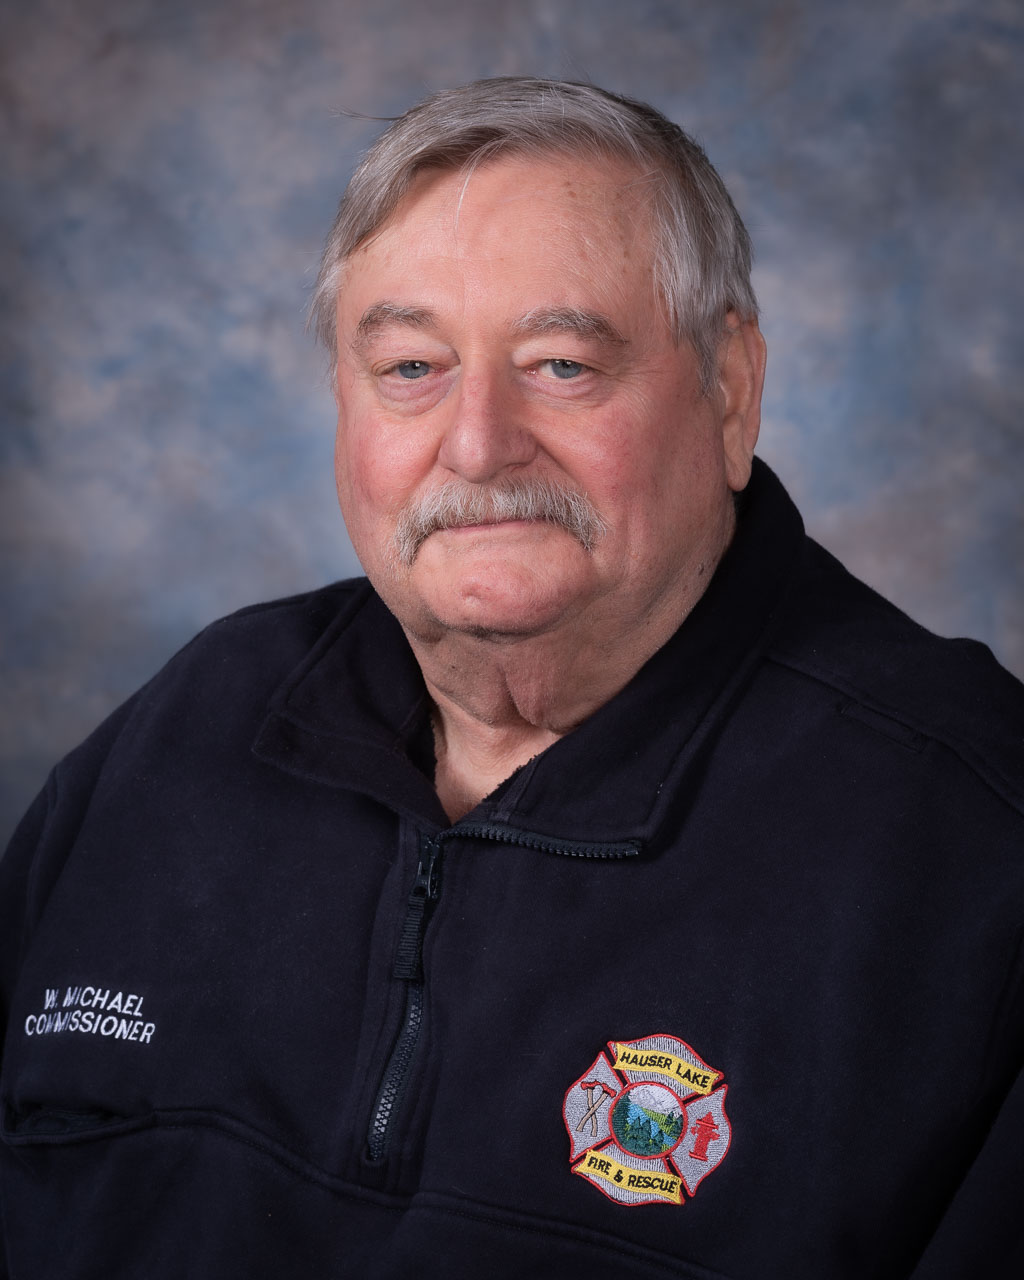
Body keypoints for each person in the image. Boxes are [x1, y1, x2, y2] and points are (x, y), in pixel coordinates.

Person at [1, 77, 1021, 1280]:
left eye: (561, 364)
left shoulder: (968, 848)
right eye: (411, 366)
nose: (478, 443)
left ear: (730, 390)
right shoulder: (191, 729)